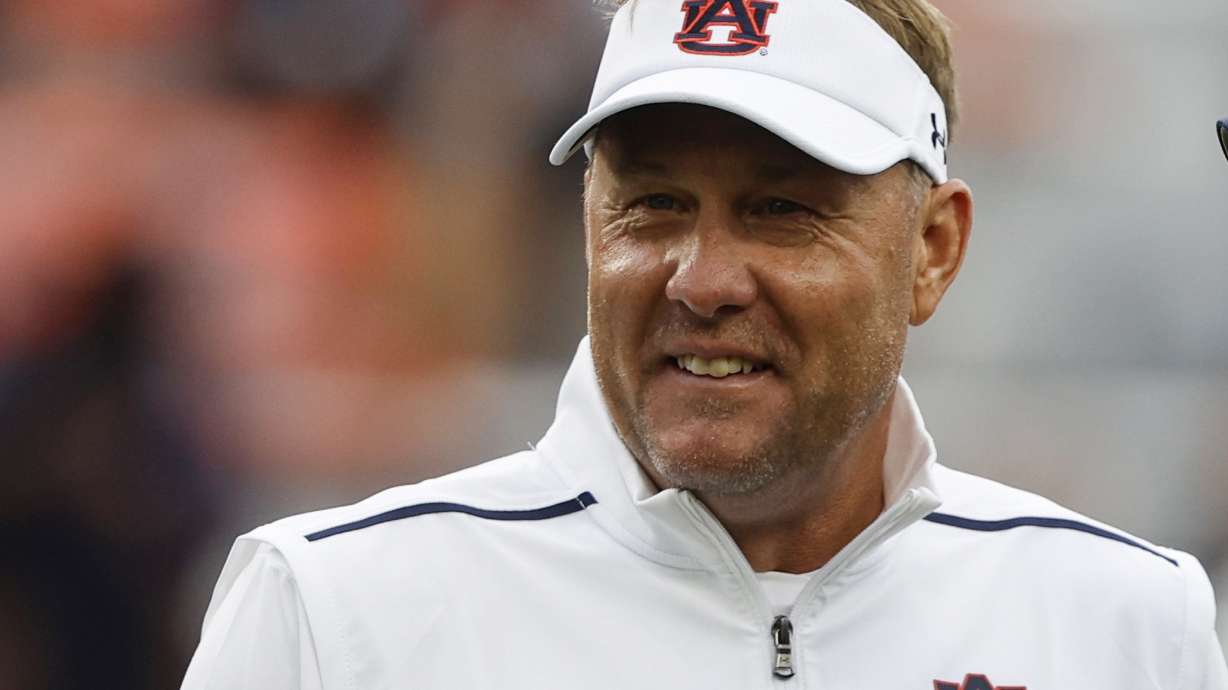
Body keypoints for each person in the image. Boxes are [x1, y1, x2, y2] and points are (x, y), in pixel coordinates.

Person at [181, 1, 1228, 688]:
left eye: (780, 208)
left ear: (934, 250)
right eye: (653, 205)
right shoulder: (333, 612)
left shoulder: (1127, 626)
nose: (701, 277)